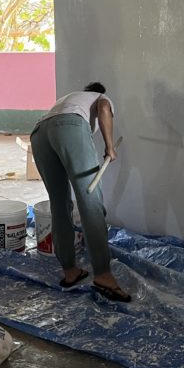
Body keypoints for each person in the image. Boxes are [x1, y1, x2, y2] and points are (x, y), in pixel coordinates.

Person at [30, 82, 130, 302]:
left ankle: (70, 271)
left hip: (39, 133)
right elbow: (104, 109)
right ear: (99, 92)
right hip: (68, 126)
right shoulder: (100, 98)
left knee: (59, 204)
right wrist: (110, 146)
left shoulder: (69, 99)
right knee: (90, 202)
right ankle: (103, 275)